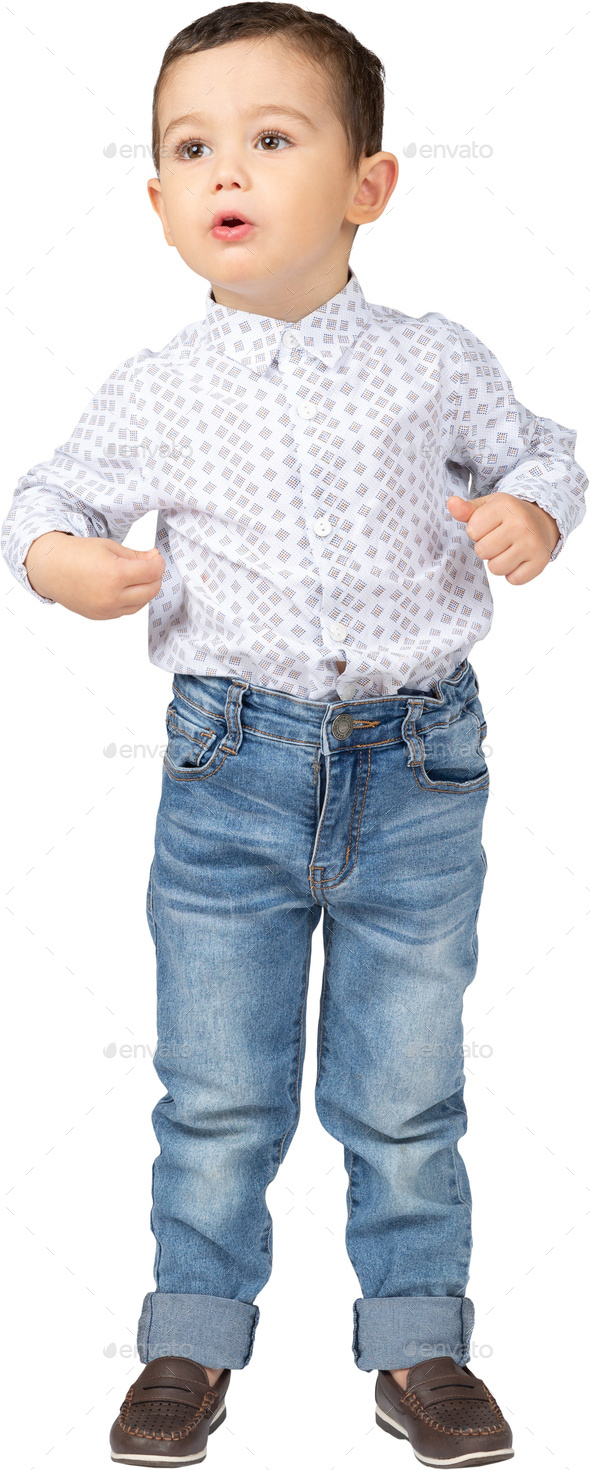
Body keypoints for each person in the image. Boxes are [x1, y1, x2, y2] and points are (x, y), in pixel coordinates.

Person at [2, 5, 587, 1465]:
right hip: (226, 770)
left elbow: (541, 447)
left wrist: (530, 511)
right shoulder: (156, 388)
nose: (228, 171)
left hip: (417, 767)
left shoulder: (428, 359)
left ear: (367, 186)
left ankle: (418, 1343)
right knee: (214, 1081)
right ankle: (190, 1333)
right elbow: (47, 500)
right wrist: (68, 566)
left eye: (274, 138)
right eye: (192, 147)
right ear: (156, 204)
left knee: (401, 1083)